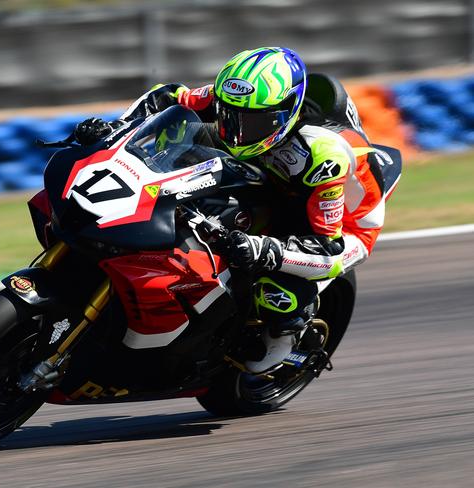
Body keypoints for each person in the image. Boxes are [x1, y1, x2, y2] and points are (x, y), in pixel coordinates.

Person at [74, 47, 387, 374]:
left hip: (338, 223)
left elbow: (328, 247)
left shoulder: (321, 156)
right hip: (266, 172)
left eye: (254, 122)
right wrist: (117, 129)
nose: (238, 129)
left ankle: (288, 329)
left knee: (270, 282)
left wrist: (265, 249)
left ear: (285, 113)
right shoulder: (235, 100)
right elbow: (168, 97)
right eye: (230, 115)